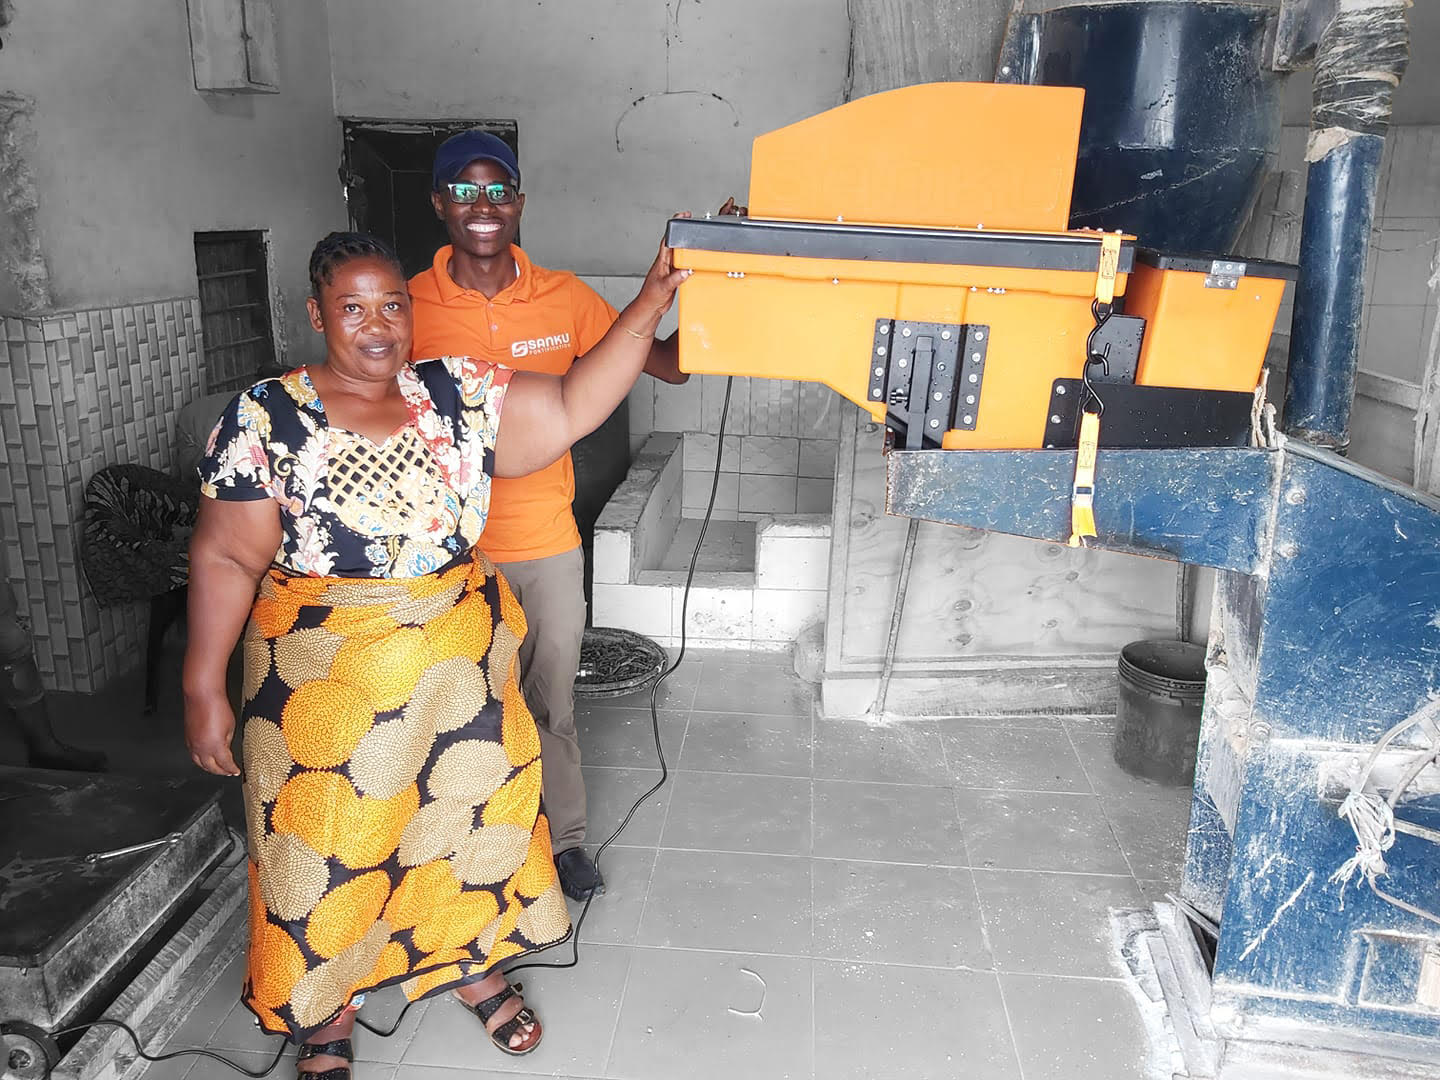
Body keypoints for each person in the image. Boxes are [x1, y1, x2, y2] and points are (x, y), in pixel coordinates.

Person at [182, 229, 687, 1074]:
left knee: (468, 824)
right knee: (328, 843)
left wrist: (647, 304)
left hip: (458, 675)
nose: (377, 325)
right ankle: (328, 1016)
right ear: (317, 313)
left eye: (391, 304)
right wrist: (204, 684)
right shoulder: (266, 415)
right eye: (352, 306)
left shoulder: (453, 393)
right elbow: (227, 555)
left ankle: (474, 971)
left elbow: (567, 409)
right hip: (321, 689)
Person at [409, 131, 737, 901]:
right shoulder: (407, 306)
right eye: (464, 190)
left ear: (519, 201)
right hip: (448, 556)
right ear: (438, 204)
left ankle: (566, 844)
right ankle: (468, 847)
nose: (483, 207)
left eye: (498, 190)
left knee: (553, 701)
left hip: (548, 544)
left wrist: (720, 274)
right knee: (460, 711)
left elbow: (669, 364)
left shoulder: (563, 298)